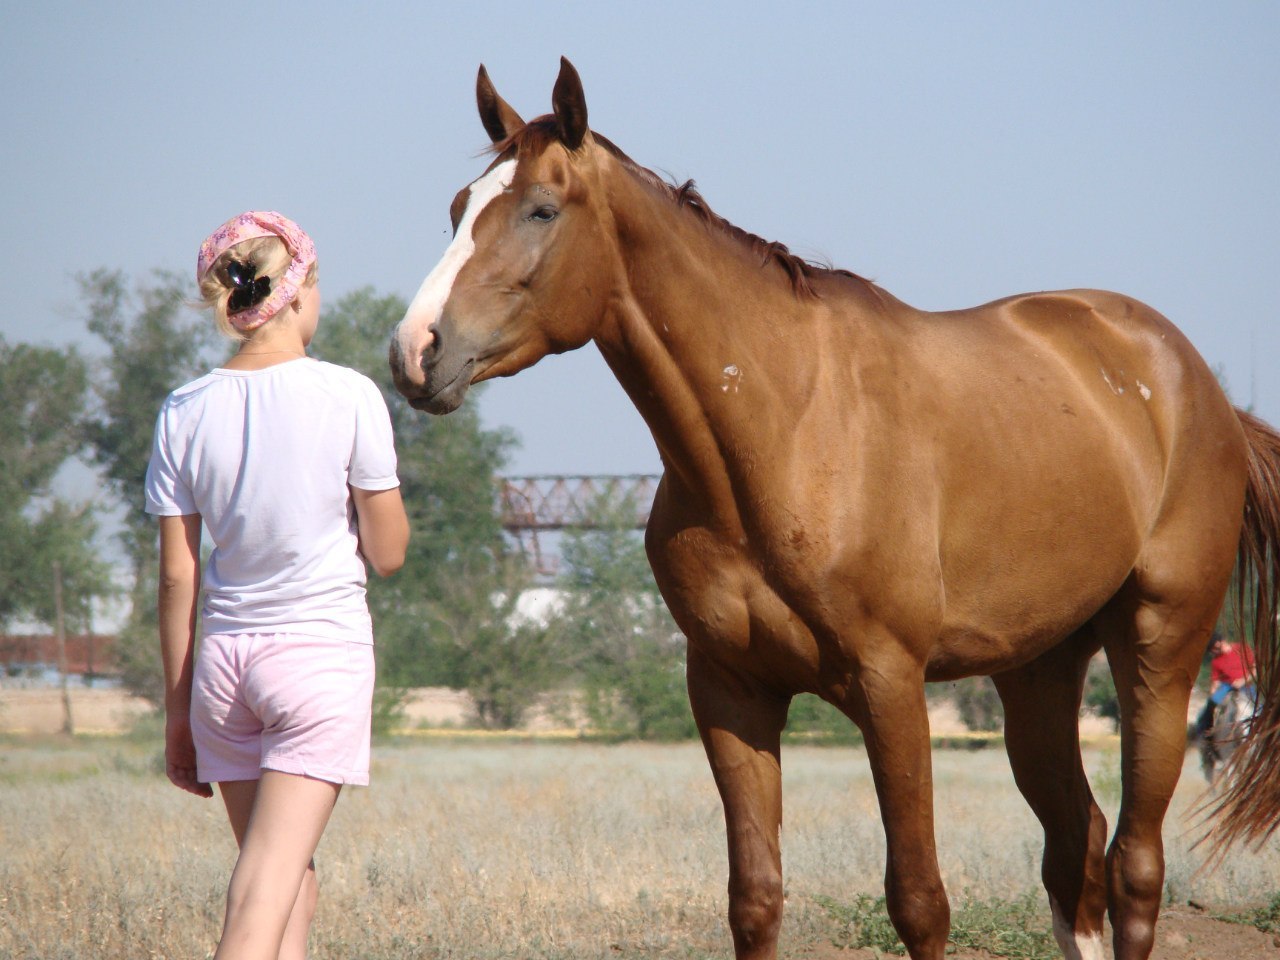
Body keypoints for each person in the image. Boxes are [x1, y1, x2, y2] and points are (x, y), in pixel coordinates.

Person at [144, 210, 410, 960]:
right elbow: (388, 553)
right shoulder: (350, 395)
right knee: (266, 886)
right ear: (298, 292)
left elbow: (176, 573)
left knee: (290, 879)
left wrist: (177, 711)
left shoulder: (183, 410)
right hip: (317, 658)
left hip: (224, 671)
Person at [1194, 632, 1257, 737]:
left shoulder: (1242, 648)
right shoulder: (1216, 661)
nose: (1213, 652)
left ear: (1219, 644)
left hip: (1246, 685)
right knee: (1211, 703)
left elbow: (1254, 670)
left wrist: (1243, 680)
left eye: (1213, 649)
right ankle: (1203, 732)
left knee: (1259, 707)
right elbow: (1216, 681)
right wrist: (1213, 694)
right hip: (1227, 686)